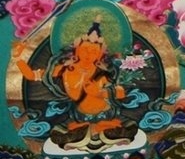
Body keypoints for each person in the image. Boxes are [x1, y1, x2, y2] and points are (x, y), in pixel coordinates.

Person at [13, 18, 138, 150]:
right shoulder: (64, 69)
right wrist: (17, 57)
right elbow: (31, 76)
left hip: (106, 114)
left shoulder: (103, 70)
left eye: (94, 52)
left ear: (100, 54)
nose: (88, 55)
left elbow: (121, 92)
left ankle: (100, 132)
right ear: (76, 49)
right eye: (85, 49)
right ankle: (90, 133)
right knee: (57, 135)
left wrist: (100, 93)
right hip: (79, 117)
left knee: (130, 128)